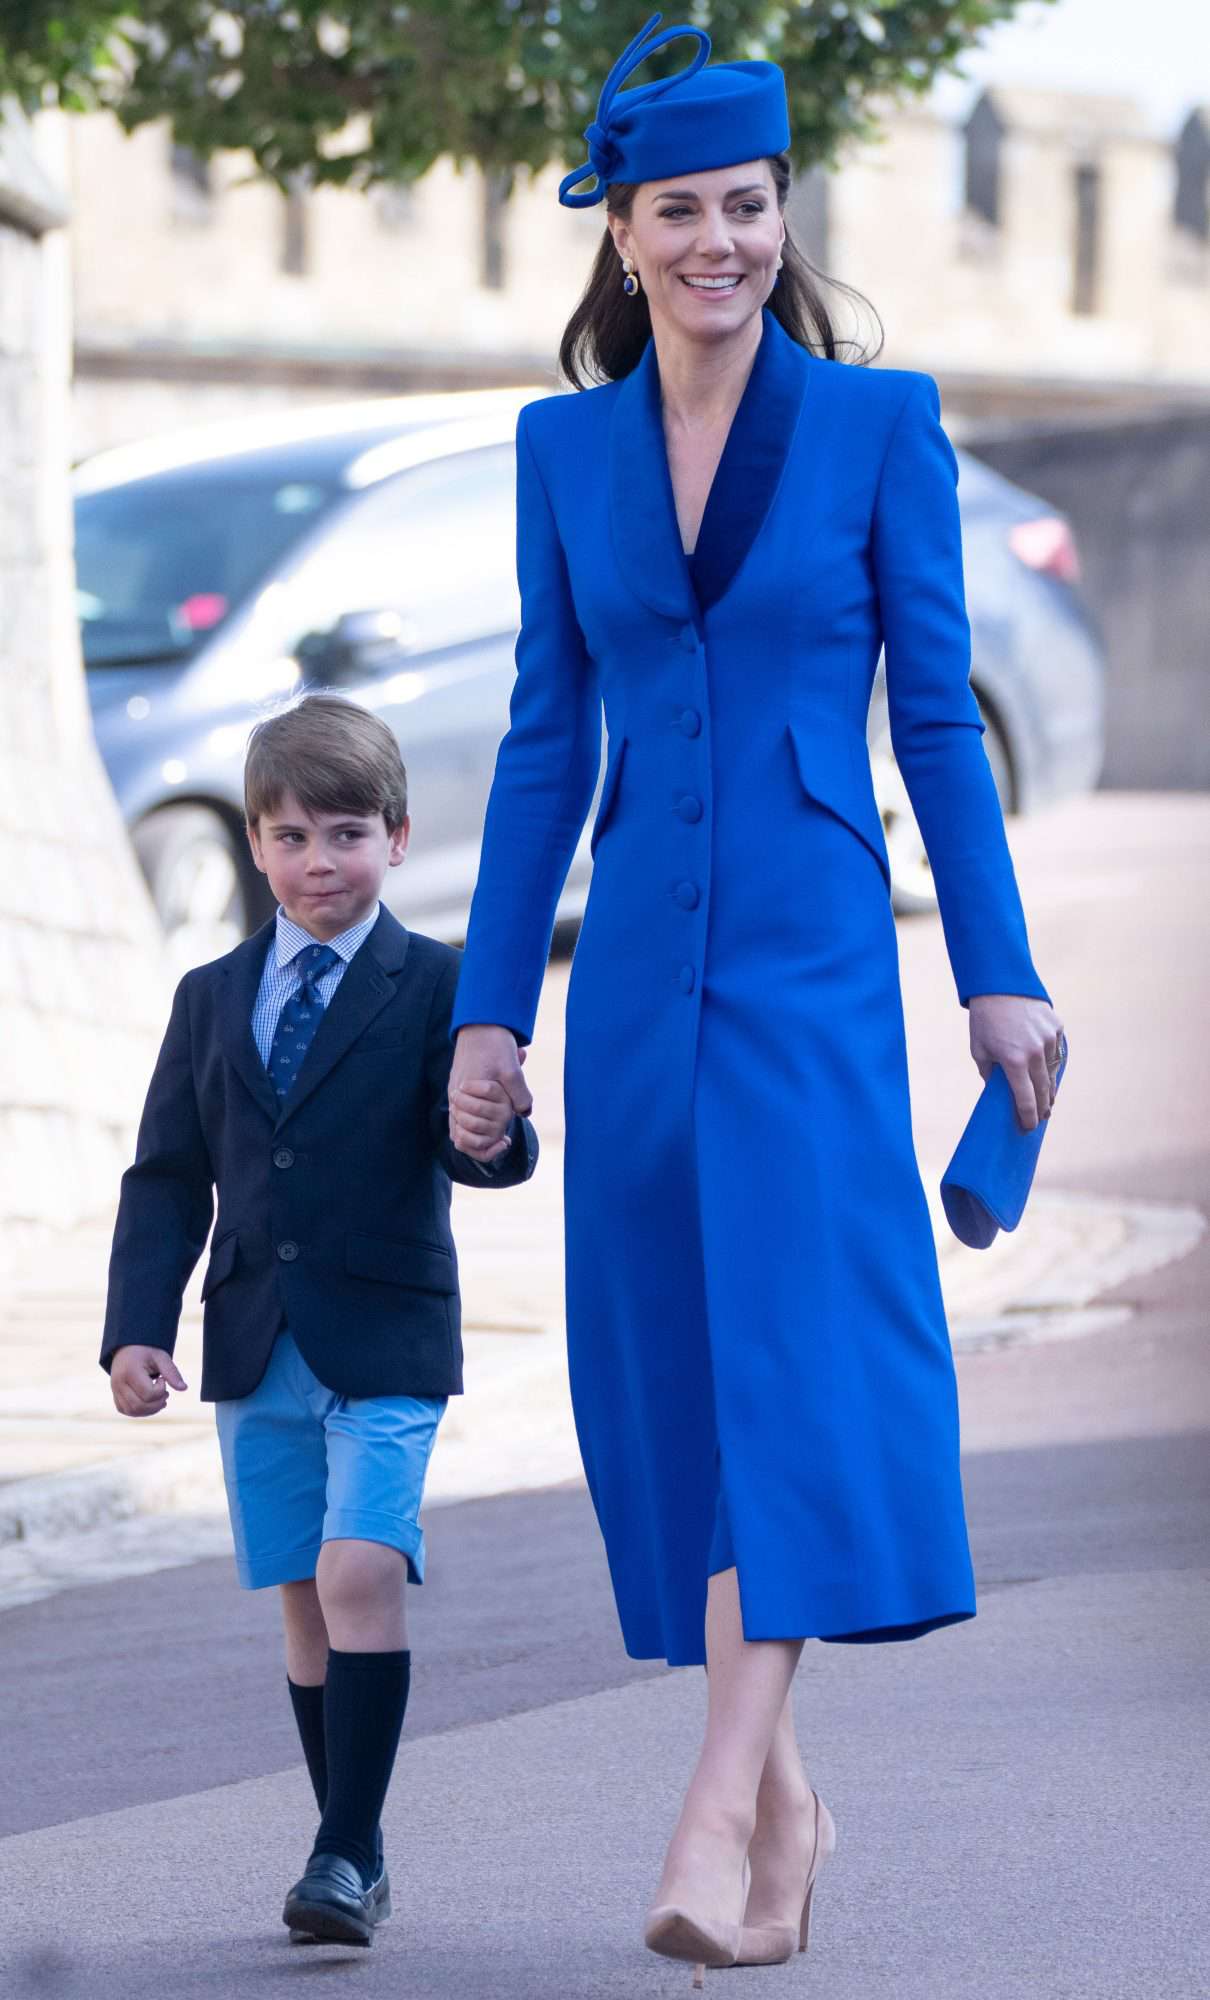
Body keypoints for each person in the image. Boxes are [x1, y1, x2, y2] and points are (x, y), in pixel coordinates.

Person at [448, 11, 1066, 1984]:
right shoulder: (558, 449)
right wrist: (488, 1008)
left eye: (746, 202)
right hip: (634, 966)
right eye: (677, 210)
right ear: (615, 235)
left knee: (796, 1348)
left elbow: (937, 724)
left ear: (781, 215)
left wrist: (993, 973)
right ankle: (791, 1804)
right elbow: (547, 740)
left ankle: (717, 1800)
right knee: (677, 1376)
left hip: (808, 954)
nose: (717, 238)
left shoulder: (880, 431)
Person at [100, 694, 537, 1947]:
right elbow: (169, 1174)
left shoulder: (444, 983)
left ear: (397, 836)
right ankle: (357, 1843)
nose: (317, 861)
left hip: (388, 1333)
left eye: (345, 833)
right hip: (254, 1338)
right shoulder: (208, 995)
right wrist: (141, 1324)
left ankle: (340, 1849)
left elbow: (487, 1139)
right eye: (290, 836)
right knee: (304, 1595)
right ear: (252, 843)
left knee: (360, 1567)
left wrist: (496, 1132)